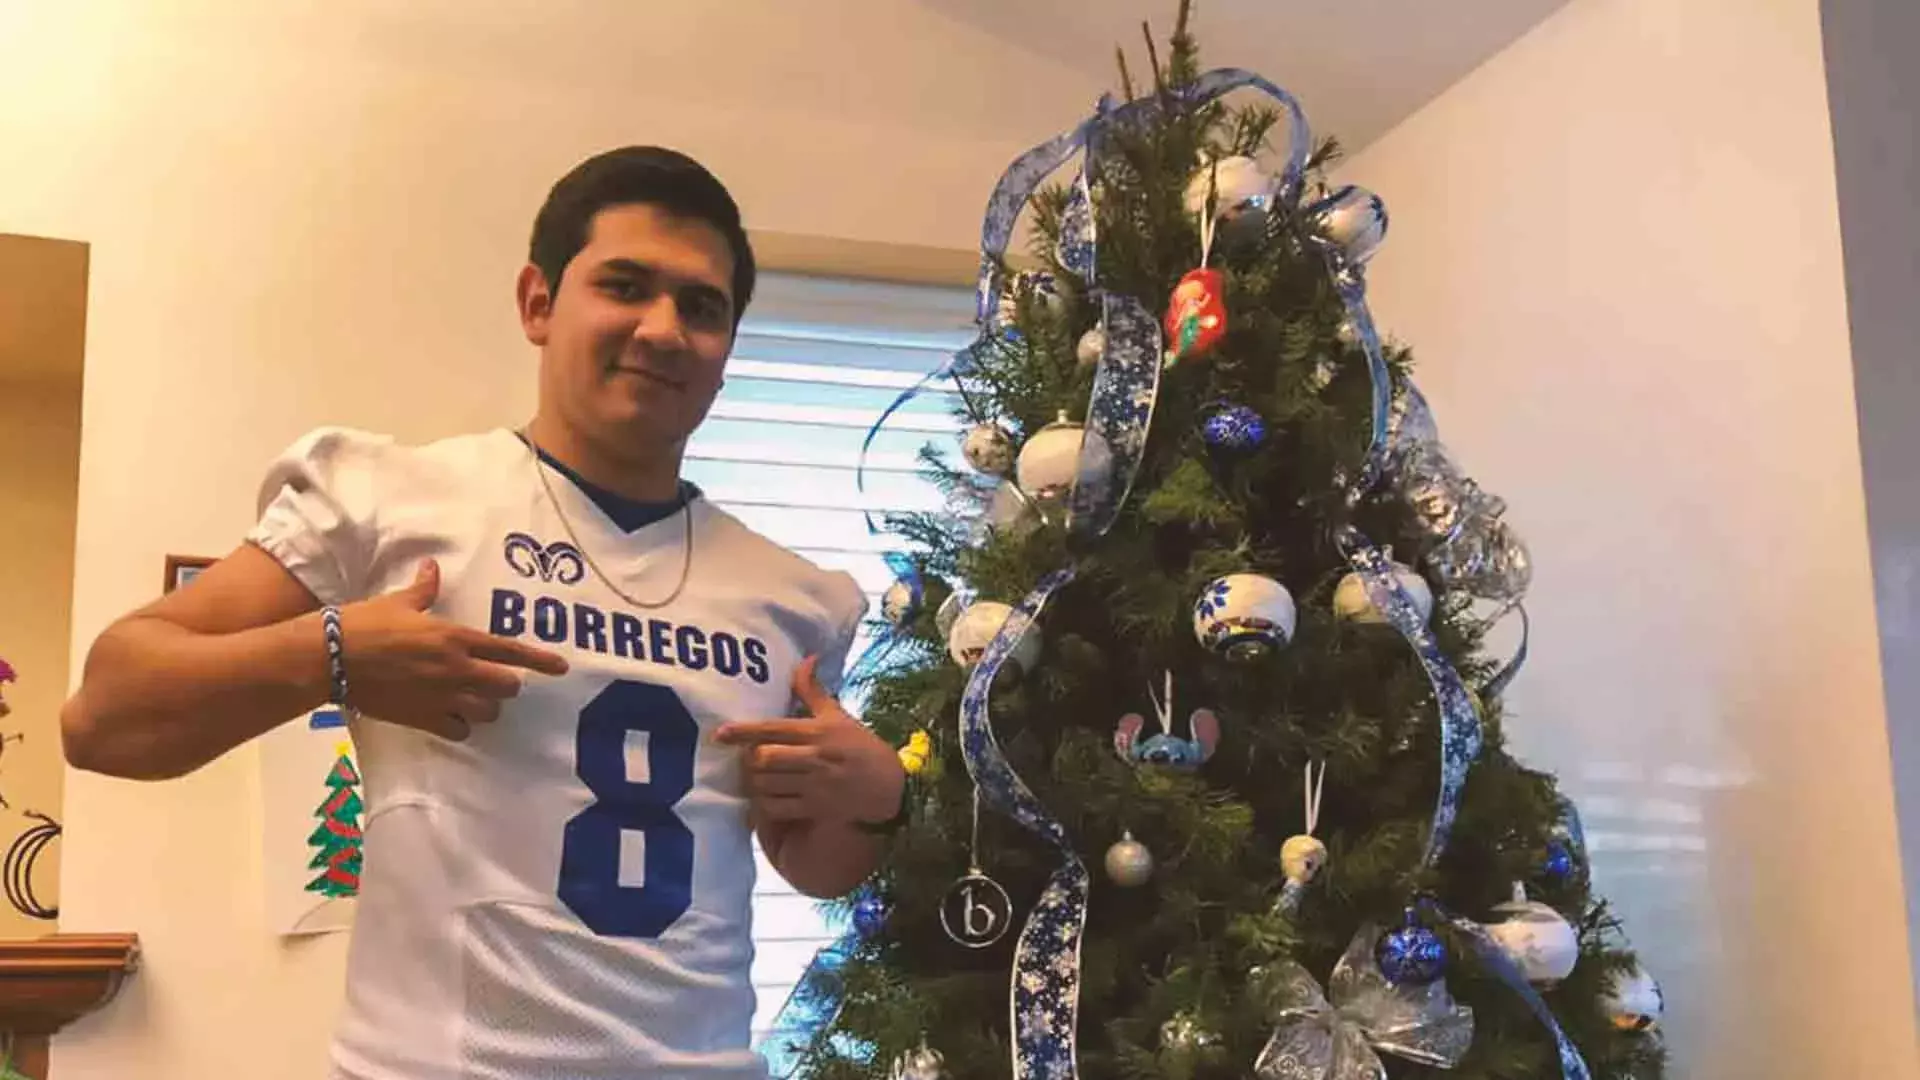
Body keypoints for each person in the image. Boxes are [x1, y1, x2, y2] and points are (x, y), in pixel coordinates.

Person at [60, 146, 908, 1079]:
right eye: (625, 285)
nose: (664, 329)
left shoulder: (793, 595)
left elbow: (814, 862)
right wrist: (335, 652)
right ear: (538, 304)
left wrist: (876, 803)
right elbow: (103, 716)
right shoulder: (390, 497)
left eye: (701, 306)